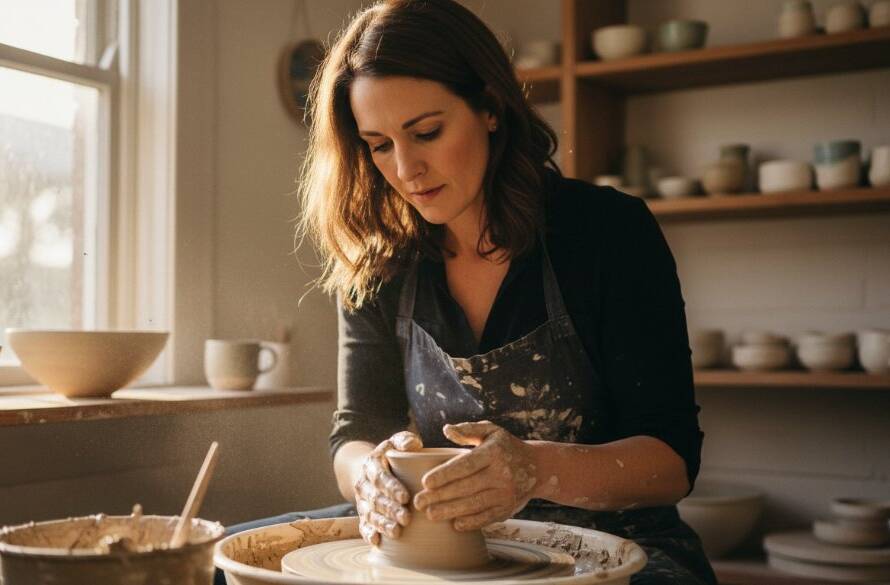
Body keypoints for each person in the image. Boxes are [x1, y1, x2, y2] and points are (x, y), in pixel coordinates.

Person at [217, 1, 716, 584]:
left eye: (426, 132)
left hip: (616, 539)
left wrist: (533, 468)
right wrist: (370, 477)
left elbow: (671, 461)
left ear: (490, 109)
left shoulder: (607, 233)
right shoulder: (380, 264)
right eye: (379, 145)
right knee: (216, 559)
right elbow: (355, 433)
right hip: (443, 538)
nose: (406, 170)